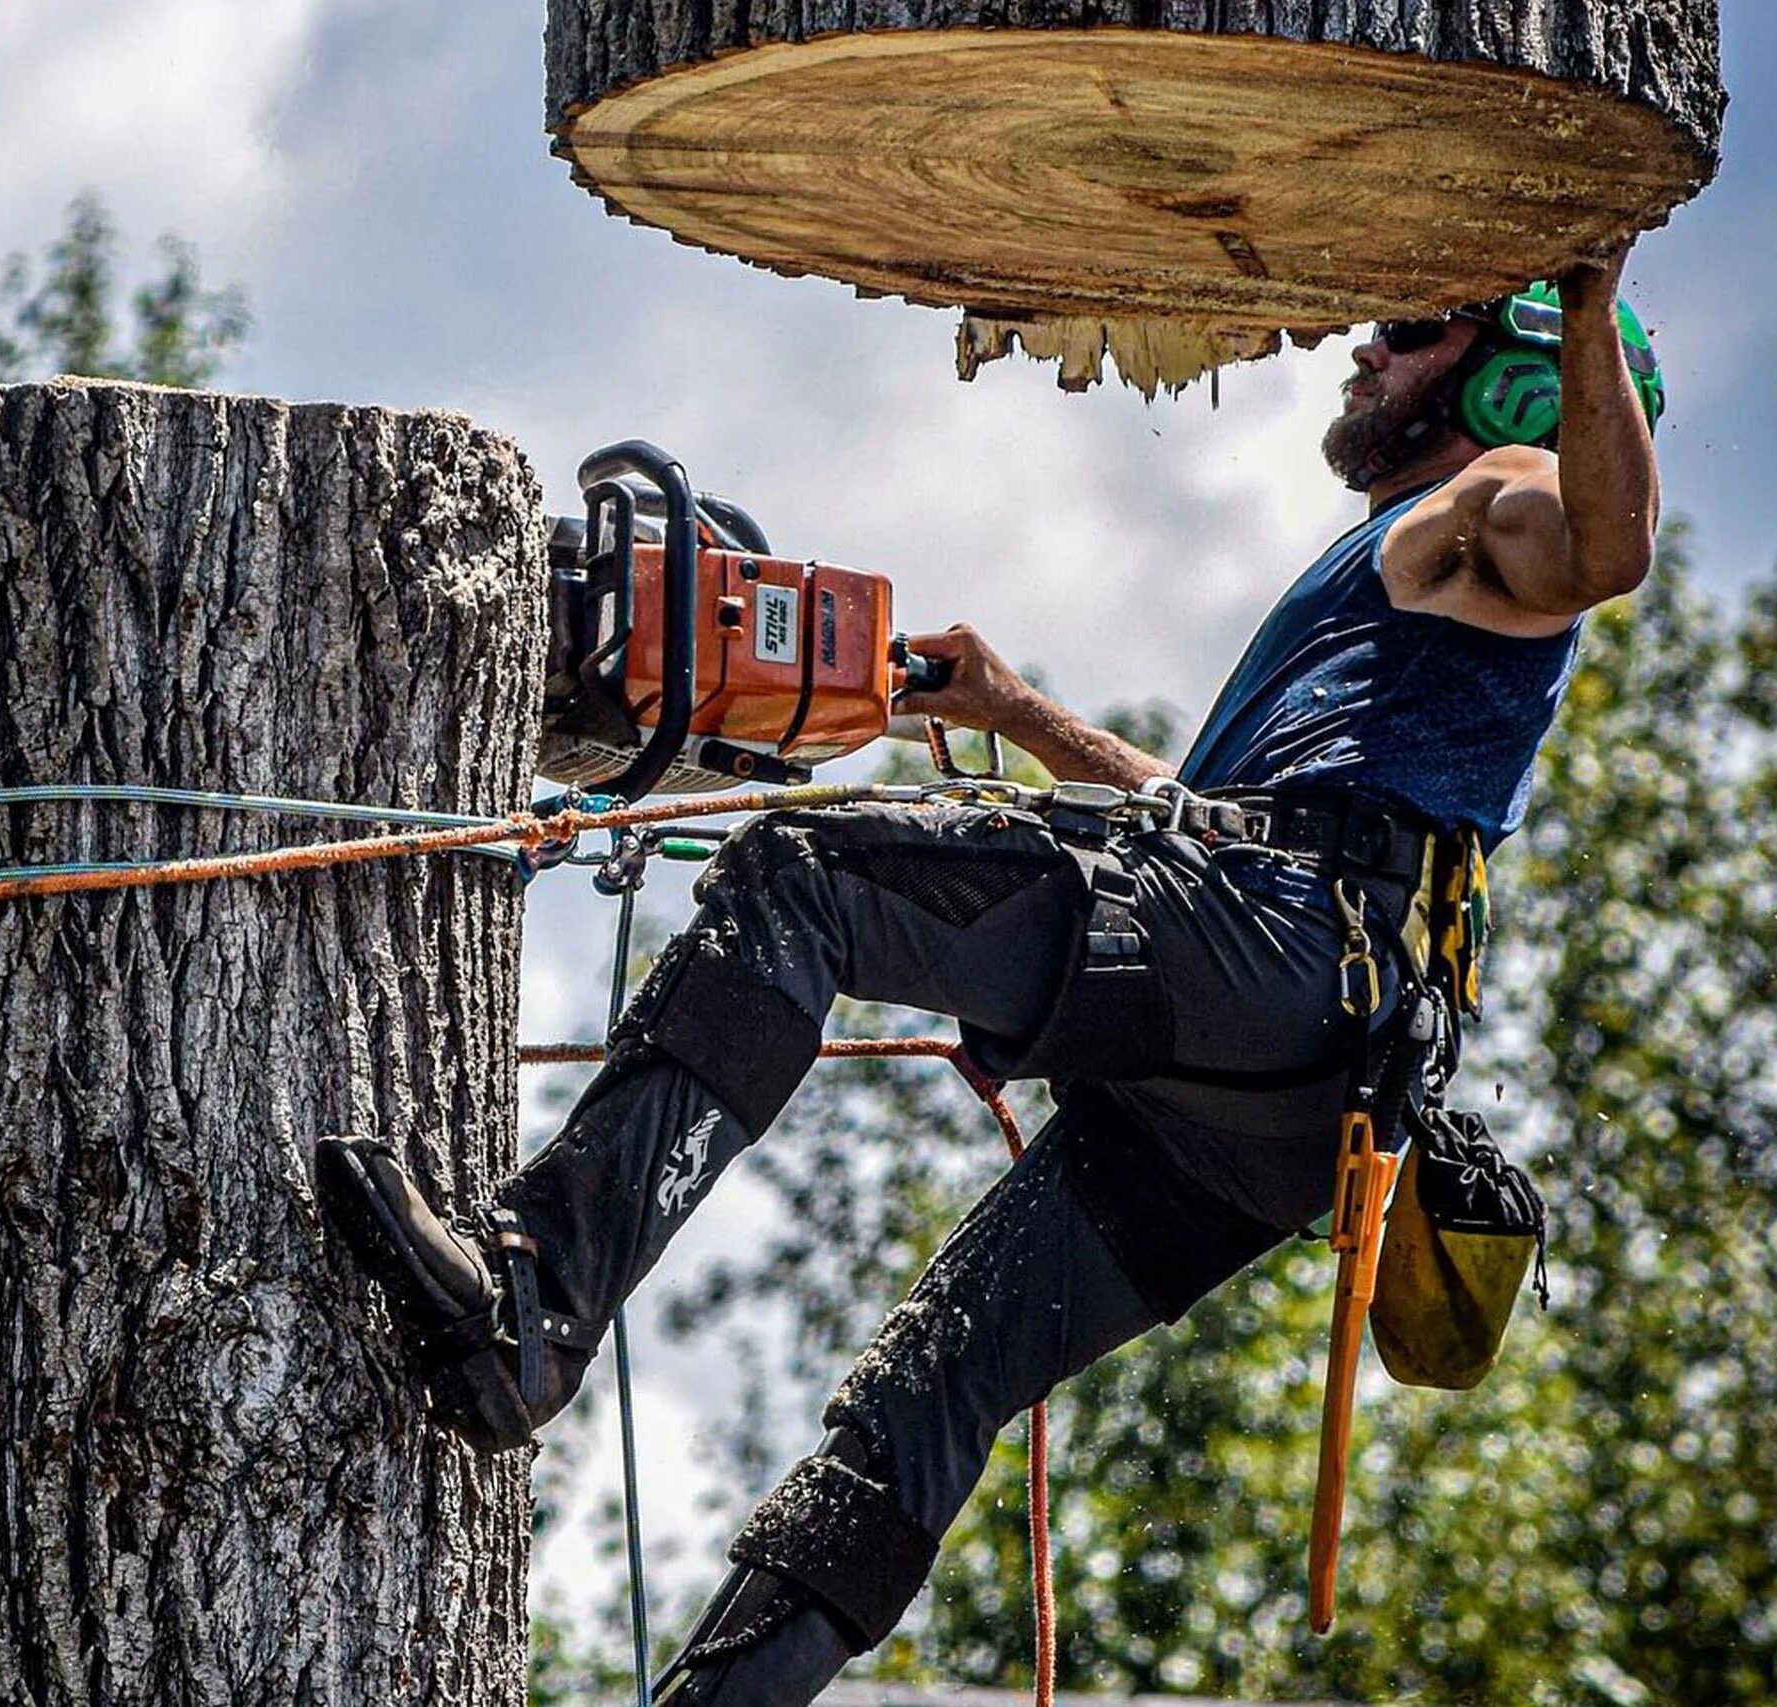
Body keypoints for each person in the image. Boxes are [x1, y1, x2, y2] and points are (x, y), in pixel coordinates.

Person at [317, 246, 1665, 1706]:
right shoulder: (1410, 606)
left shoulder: (1503, 491)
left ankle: (540, 1291)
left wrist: (1584, 302)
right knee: (931, 1385)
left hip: (1278, 956)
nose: (1363, 353)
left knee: (806, 880)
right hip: (1299, 1075)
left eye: (1408, 330)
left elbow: (1608, 546)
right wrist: (1020, 713)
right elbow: (1208, 821)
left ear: (1518, 373)